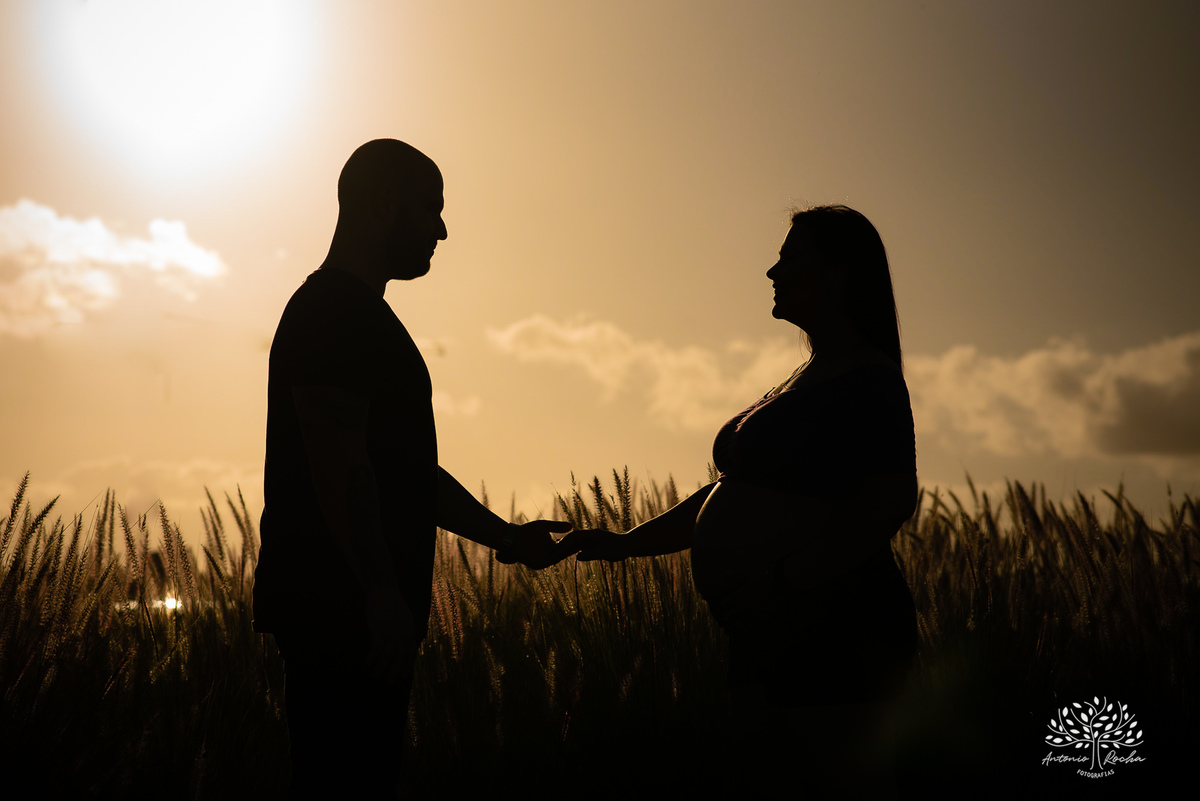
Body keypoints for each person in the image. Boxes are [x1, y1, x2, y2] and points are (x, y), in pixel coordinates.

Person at [252, 139, 581, 799]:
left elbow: (403, 473)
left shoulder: (363, 317)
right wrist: (378, 592)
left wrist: (506, 537)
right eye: (431, 209)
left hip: (362, 619)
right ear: (383, 205)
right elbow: (337, 458)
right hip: (340, 616)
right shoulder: (334, 310)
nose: (442, 230)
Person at [577, 205, 917, 796]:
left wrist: (783, 584)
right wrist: (626, 544)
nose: (772, 272)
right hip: (765, 631)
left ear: (837, 274)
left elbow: (889, 499)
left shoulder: (870, 377)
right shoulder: (803, 378)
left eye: (790, 258)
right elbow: (728, 493)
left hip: (838, 629)